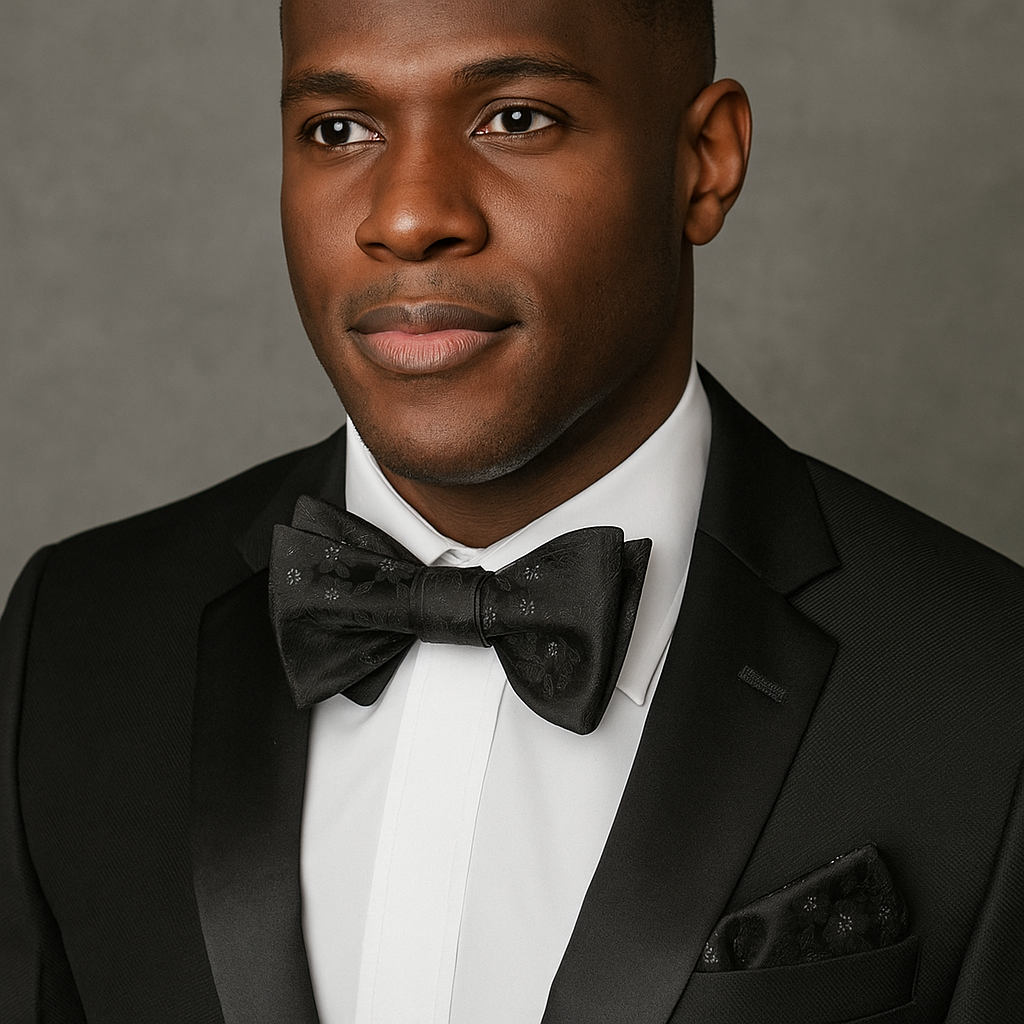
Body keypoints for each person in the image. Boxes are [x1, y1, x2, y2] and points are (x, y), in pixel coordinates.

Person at [1, 0, 1022, 1021]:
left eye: (517, 119)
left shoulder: (987, 686)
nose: (407, 217)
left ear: (704, 161)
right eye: (338, 129)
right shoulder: (72, 640)